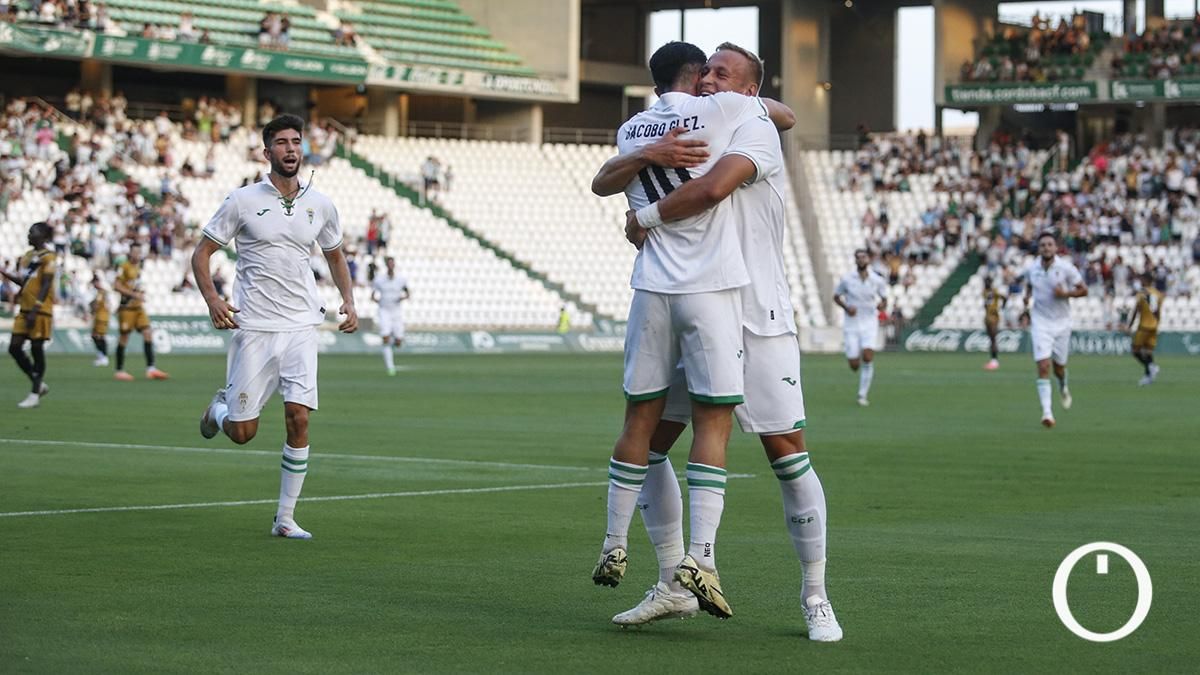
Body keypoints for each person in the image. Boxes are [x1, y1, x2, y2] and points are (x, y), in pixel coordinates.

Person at [604, 43, 841, 641]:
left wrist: (647, 215)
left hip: (757, 312)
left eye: (722, 73)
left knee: (786, 451)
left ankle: (816, 595)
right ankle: (672, 583)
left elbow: (770, 123)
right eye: (704, 70)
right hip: (696, 300)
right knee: (654, 441)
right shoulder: (700, 122)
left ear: (749, 91)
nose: (708, 81)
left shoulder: (755, 127)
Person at [192, 113, 358, 540]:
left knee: (298, 418)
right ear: (267, 152)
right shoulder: (242, 200)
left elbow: (335, 254)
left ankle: (285, 518)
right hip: (256, 328)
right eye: (281, 142)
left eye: (296, 141)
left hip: (303, 325)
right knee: (243, 433)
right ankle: (220, 409)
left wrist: (349, 300)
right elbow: (201, 254)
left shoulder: (320, 204)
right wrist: (213, 299)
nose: (290, 149)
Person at [1022, 231, 1087, 428]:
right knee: (1043, 366)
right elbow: (1029, 286)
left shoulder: (1066, 268)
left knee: (1059, 368)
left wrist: (1065, 293)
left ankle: (1063, 385)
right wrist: (1026, 300)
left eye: (1050, 244)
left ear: (1055, 247)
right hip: (1040, 322)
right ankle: (1047, 413)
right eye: (1043, 245)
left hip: (1062, 324)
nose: (1046, 248)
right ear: (1039, 248)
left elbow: (1084, 290)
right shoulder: (1032, 268)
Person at [3, 222, 55, 408]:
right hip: (25, 309)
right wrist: (3, 272)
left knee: (36, 348)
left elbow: (46, 284)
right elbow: (23, 281)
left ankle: (34, 394)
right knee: (14, 348)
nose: (29, 235)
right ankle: (38, 383)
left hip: (40, 311)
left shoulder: (49, 258)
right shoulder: (27, 257)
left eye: (33, 232)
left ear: (43, 236)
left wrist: (36, 308)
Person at [833, 250, 888, 406]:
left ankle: (862, 395)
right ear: (855, 261)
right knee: (854, 365)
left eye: (864, 257)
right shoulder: (847, 279)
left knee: (868, 356)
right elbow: (836, 297)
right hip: (852, 323)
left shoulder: (877, 280)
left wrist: (881, 306)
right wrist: (846, 307)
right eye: (858, 257)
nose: (861, 260)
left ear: (869, 259)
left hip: (870, 322)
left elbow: (884, 300)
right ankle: (852, 357)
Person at [112, 245, 169, 381]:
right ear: (130, 253)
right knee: (124, 337)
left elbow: (134, 284)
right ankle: (119, 370)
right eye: (135, 252)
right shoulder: (124, 266)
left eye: (139, 252)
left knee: (148, 332)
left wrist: (139, 293)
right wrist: (134, 294)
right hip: (127, 308)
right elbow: (116, 286)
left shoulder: (139, 267)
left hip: (138, 307)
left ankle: (151, 369)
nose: (137, 254)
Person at [371, 256, 409, 376]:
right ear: (387, 265)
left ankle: (388, 348)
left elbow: (407, 293)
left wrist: (402, 298)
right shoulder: (379, 280)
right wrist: (380, 303)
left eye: (393, 264)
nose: (391, 266)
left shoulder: (401, 279)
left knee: (398, 341)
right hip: (384, 311)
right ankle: (390, 367)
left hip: (396, 311)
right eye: (389, 264)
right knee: (386, 337)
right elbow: (372, 295)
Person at [1127, 271, 1163, 386]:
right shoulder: (1158, 294)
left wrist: (1130, 326)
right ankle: (1148, 377)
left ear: (1146, 280)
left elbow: (1136, 310)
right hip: (1154, 326)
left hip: (1144, 326)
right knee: (1147, 352)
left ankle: (1151, 367)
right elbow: (1158, 312)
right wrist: (1158, 324)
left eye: (1142, 280)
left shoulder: (1142, 294)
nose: (1140, 282)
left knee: (1135, 350)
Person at [983, 275, 1006, 370]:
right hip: (987, 317)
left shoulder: (994, 291)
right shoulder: (985, 292)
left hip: (993, 317)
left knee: (993, 338)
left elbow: (1004, 297)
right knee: (991, 339)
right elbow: (986, 304)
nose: (986, 283)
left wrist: (1001, 308)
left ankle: (995, 361)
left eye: (988, 281)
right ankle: (992, 360)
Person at [90, 270, 111, 367]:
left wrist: (91, 306)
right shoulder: (99, 292)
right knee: (95, 336)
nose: (94, 284)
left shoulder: (102, 292)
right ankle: (101, 355)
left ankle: (104, 357)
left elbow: (96, 305)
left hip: (102, 317)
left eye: (95, 282)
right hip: (98, 317)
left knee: (100, 336)